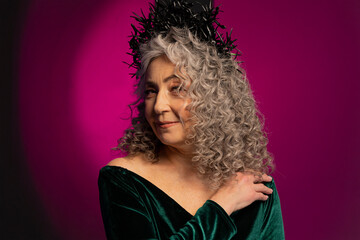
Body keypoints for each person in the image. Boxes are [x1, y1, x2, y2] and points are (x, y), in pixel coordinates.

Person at [98, 1, 285, 239]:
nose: (158, 106)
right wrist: (221, 205)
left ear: (213, 97)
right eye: (151, 91)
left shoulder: (256, 188)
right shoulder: (125, 179)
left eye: (176, 88)